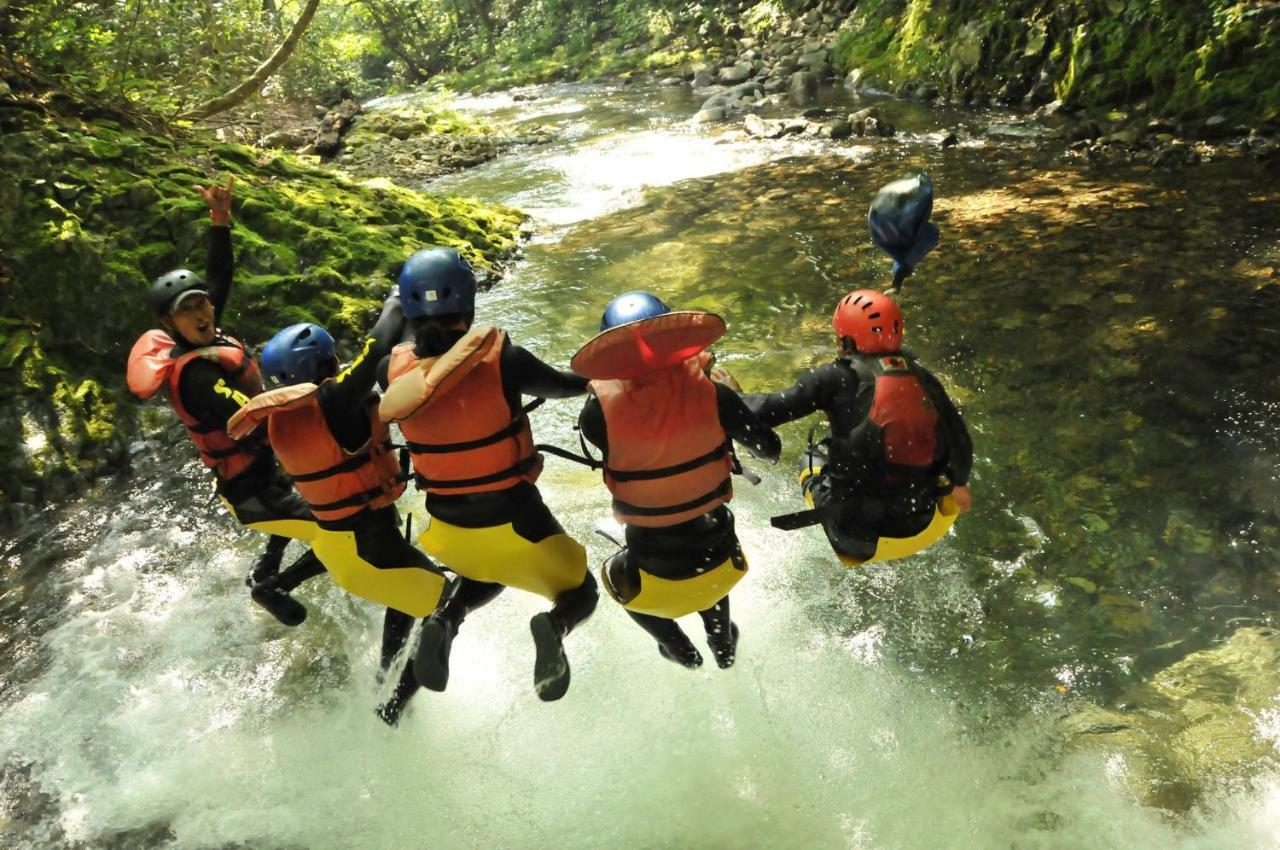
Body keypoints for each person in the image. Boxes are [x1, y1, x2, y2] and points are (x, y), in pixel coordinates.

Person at [379, 247, 597, 703]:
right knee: (584, 592)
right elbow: (562, 386)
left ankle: (446, 619)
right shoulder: (504, 359)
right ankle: (554, 625)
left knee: (488, 572)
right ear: (468, 303)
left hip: (448, 529)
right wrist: (600, 378)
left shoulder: (389, 371)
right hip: (517, 520)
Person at [227, 290, 451, 726]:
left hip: (336, 547)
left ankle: (384, 677)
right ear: (324, 367)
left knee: (405, 596)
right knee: (451, 604)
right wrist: (398, 297)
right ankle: (395, 707)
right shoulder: (333, 403)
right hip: (371, 551)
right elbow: (379, 344)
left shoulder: (283, 420)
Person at [126, 176, 323, 627]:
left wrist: (219, 219)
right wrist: (324, 402)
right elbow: (252, 416)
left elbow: (219, 277)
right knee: (346, 521)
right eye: (186, 310)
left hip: (264, 477)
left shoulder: (207, 331)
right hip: (251, 492)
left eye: (201, 304)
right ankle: (273, 587)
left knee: (304, 492)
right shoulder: (196, 375)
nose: (199, 313)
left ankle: (266, 565)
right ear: (168, 322)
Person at [575, 291, 780, 670]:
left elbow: (641, 429)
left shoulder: (595, 416)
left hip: (654, 575)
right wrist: (735, 399)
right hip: (723, 565)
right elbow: (770, 449)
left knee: (614, 574)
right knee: (703, 539)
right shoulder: (715, 395)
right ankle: (720, 638)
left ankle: (676, 646)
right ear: (673, 340)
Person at [743, 289, 973, 566]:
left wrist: (733, 394)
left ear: (846, 342)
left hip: (856, 538)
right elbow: (961, 445)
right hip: (923, 526)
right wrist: (957, 483)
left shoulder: (834, 378)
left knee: (813, 455)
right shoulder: (923, 377)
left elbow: (765, 412)